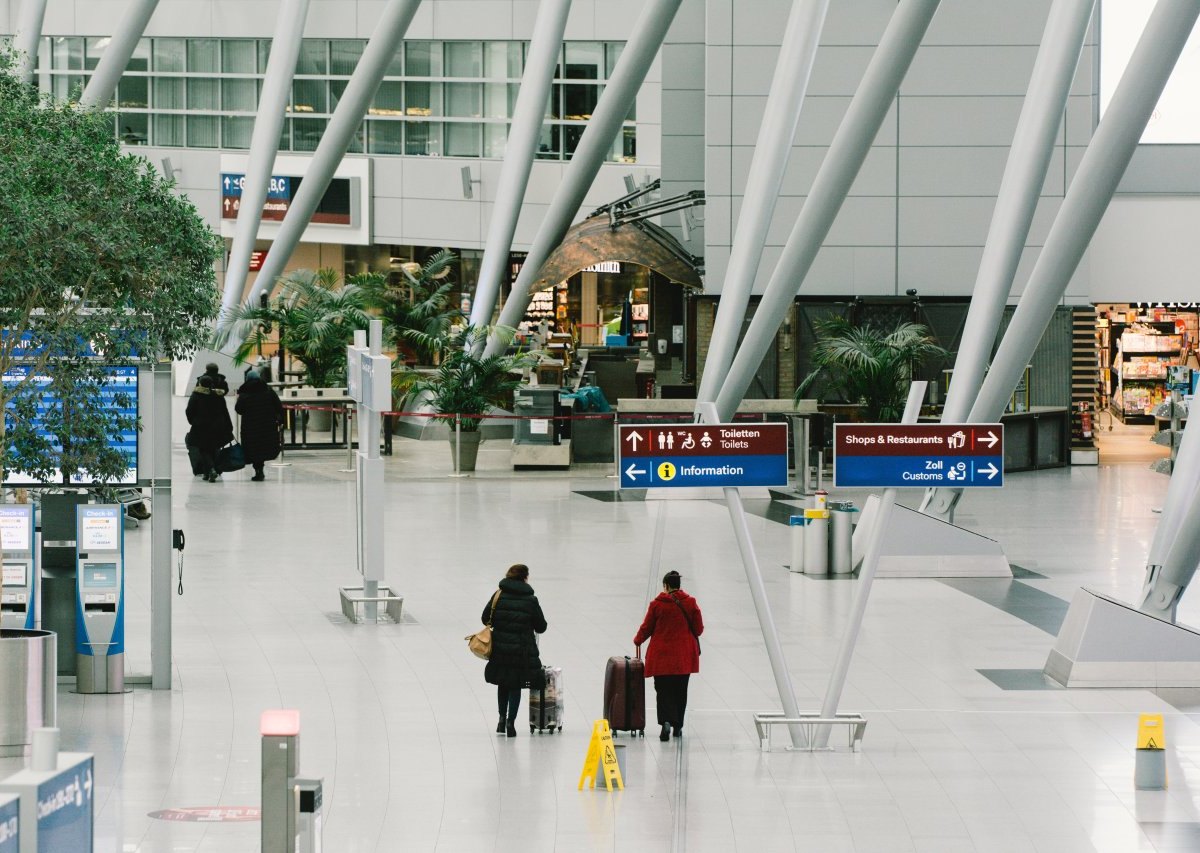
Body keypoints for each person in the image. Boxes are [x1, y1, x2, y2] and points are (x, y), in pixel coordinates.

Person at [633, 570, 704, 741]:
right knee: (681, 691)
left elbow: (647, 627)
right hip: (684, 658)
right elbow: (699, 629)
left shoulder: (657, 605)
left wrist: (638, 640)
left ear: (666, 585)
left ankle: (665, 722)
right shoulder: (691, 603)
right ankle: (678, 726)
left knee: (663, 691)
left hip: (661, 658)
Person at [483, 564, 547, 737]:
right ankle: (511, 723)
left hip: (500, 648)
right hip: (521, 651)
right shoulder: (531, 600)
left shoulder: (498, 595)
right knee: (515, 685)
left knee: (503, 683)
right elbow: (541, 626)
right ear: (525, 577)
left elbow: (485, 618)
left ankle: (501, 720)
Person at [235, 369, 284, 481]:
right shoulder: (268, 391)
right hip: (267, 425)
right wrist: (281, 421)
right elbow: (278, 406)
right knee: (262, 447)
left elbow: (239, 409)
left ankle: (258, 470)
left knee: (254, 448)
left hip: (250, 426)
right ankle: (259, 470)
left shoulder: (245, 393)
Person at [185, 375, 233, 482]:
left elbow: (189, 411)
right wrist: (229, 426)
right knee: (213, 448)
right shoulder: (218, 395)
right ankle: (207, 473)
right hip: (217, 427)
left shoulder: (196, 395)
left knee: (203, 449)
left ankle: (211, 470)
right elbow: (225, 412)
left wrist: (193, 421)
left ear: (200, 384)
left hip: (201, 427)